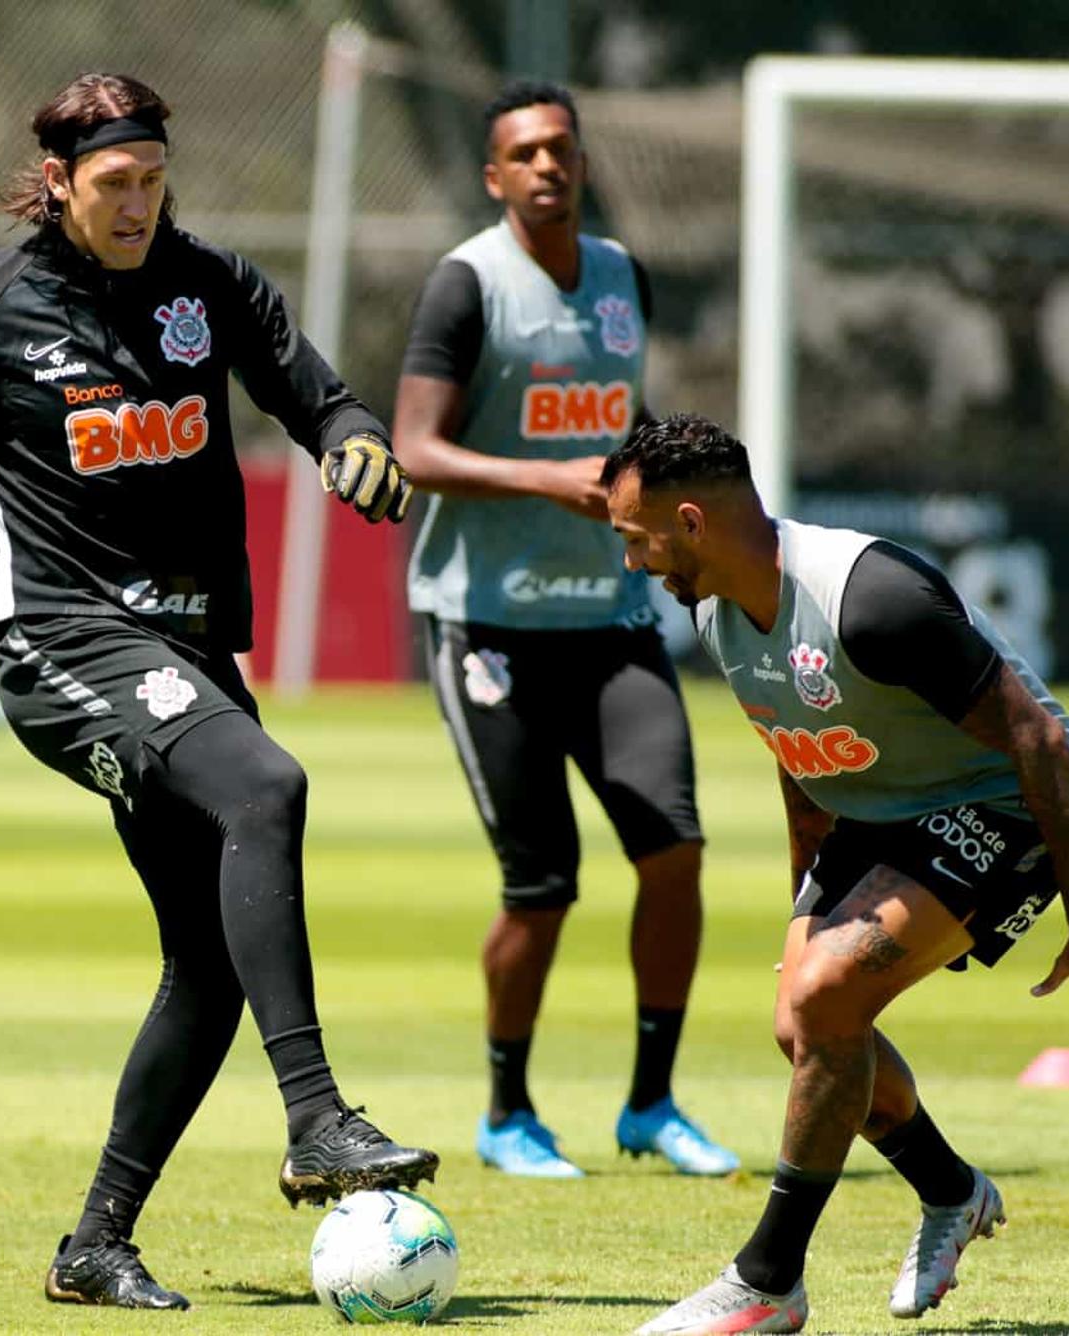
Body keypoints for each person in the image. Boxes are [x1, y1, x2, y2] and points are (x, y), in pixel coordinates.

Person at [0, 72, 436, 1312]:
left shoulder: (213, 285)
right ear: (58, 183)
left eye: (154, 181)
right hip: (57, 641)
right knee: (268, 785)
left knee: (211, 969)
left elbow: (316, 394)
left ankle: (93, 1245)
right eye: (115, 185)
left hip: (189, 654)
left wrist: (353, 443)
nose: (139, 205)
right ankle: (315, 1113)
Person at [604, 413, 1069, 1335]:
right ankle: (953, 1192)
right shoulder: (713, 610)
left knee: (826, 1000)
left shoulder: (872, 598)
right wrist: (805, 894)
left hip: (1006, 803)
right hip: (877, 805)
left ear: (691, 521)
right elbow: (796, 750)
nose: (633, 563)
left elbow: (1036, 738)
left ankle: (768, 1279)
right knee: (803, 1021)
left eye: (635, 538)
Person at [391, 81, 736, 1179]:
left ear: (580, 163)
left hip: (612, 618)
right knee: (542, 883)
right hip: (486, 626)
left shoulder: (624, 275)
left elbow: (622, 431)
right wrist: (549, 481)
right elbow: (415, 449)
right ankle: (507, 1113)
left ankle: (650, 1103)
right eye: (524, 152)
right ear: (494, 176)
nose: (547, 165)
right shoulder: (466, 284)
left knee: (674, 850)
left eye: (561, 149)